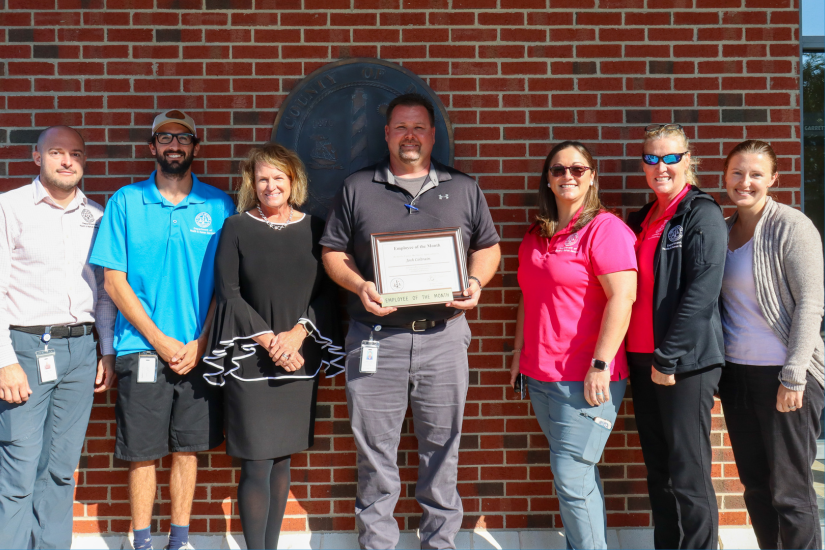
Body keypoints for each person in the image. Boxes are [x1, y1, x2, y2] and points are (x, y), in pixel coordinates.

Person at [320, 93, 501, 549]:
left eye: (418, 127)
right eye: (401, 127)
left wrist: (476, 283)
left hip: (444, 338)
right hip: (374, 338)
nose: (410, 136)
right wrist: (360, 285)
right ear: (386, 134)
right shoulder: (358, 186)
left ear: (433, 134)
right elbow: (333, 252)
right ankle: (377, 545)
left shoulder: (463, 187)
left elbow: (488, 246)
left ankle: (439, 544)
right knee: (374, 453)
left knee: (443, 451)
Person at [90, 110, 235, 550]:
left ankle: (180, 540)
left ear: (195, 146)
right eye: (164, 138)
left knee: (188, 449)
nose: (174, 146)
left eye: (183, 138)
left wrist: (201, 341)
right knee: (143, 452)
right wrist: (158, 339)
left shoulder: (219, 205)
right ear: (151, 147)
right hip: (141, 348)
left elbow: (225, 284)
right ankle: (140, 541)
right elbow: (114, 281)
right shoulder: (126, 202)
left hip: (197, 350)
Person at [203, 143, 344, 550]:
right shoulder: (236, 228)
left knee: (282, 459)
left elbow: (324, 295)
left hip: (299, 358)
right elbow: (229, 294)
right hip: (250, 359)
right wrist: (269, 340)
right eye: (262, 178)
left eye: (278, 177)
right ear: (252, 183)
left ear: (293, 181)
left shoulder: (316, 229)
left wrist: (297, 336)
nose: (270, 185)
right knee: (256, 462)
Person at [509, 141, 637, 549]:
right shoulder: (536, 233)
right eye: (559, 170)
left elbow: (623, 297)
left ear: (592, 176)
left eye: (578, 169)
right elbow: (529, 297)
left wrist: (601, 363)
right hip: (541, 374)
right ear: (547, 179)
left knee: (570, 476)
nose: (568, 176)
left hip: (587, 378)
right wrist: (518, 356)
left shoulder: (606, 229)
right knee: (576, 476)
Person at [0, 126, 116, 550]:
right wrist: (3, 360)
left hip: (81, 351)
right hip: (26, 350)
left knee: (61, 469)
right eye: (57, 153)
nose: (67, 161)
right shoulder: (9, 209)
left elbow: (103, 292)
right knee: (19, 468)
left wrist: (106, 350)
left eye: (76, 154)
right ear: (37, 157)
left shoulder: (96, 215)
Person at [717, 140, 824, 549]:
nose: (746, 182)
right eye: (738, 173)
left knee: (791, 493)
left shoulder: (792, 226)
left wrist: (794, 375)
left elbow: (812, 304)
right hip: (739, 376)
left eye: (756, 174)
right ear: (725, 177)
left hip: (786, 375)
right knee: (757, 489)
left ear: (773, 179)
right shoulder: (724, 229)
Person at [625, 124, 727, 549]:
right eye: (652, 158)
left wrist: (668, 359)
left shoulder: (700, 213)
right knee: (659, 472)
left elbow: (703, 291)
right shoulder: (643, 218)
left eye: (670, 157)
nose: (661, 166)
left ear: (688, 160)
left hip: (683, 364)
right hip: (642, 359)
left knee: (688, 472)